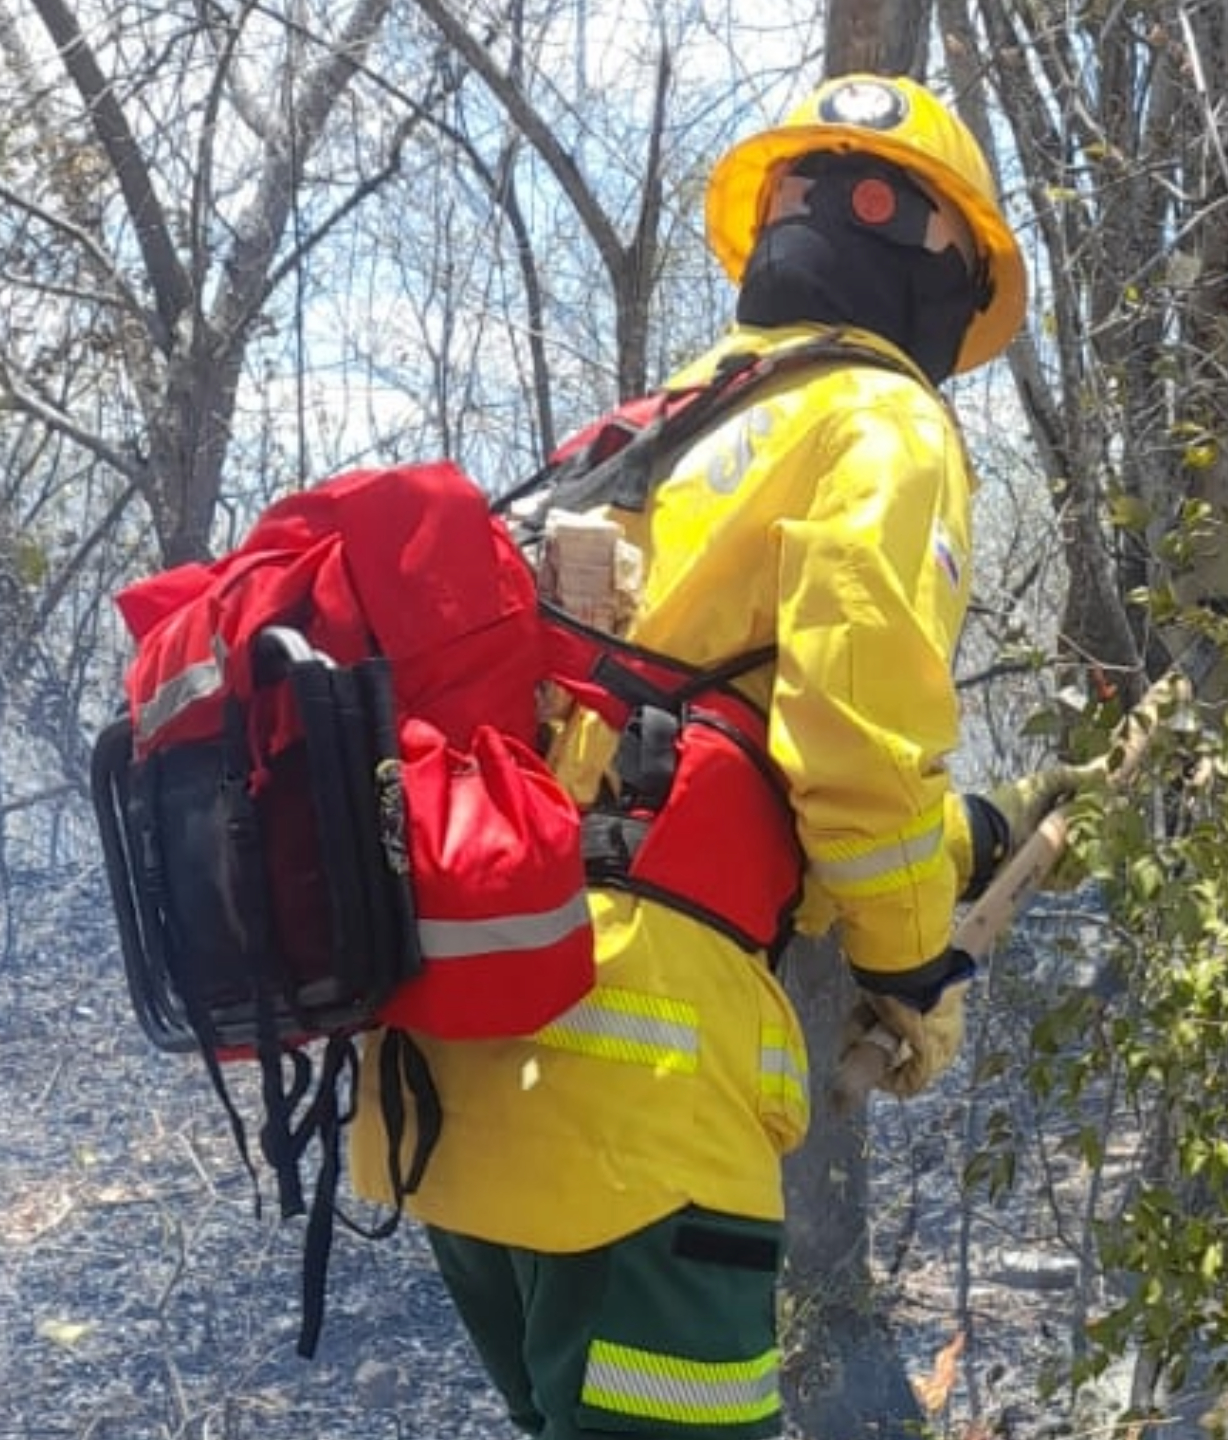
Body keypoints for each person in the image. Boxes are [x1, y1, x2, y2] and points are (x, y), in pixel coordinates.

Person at [348, 73, 1086, 1439]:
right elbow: (852, 752)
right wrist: (911, 971)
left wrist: (972, 841)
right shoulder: (879, 421)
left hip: (452, 1090)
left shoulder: (639, 438)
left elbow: (681, 750)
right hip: (637, 1113)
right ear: (942, 261)